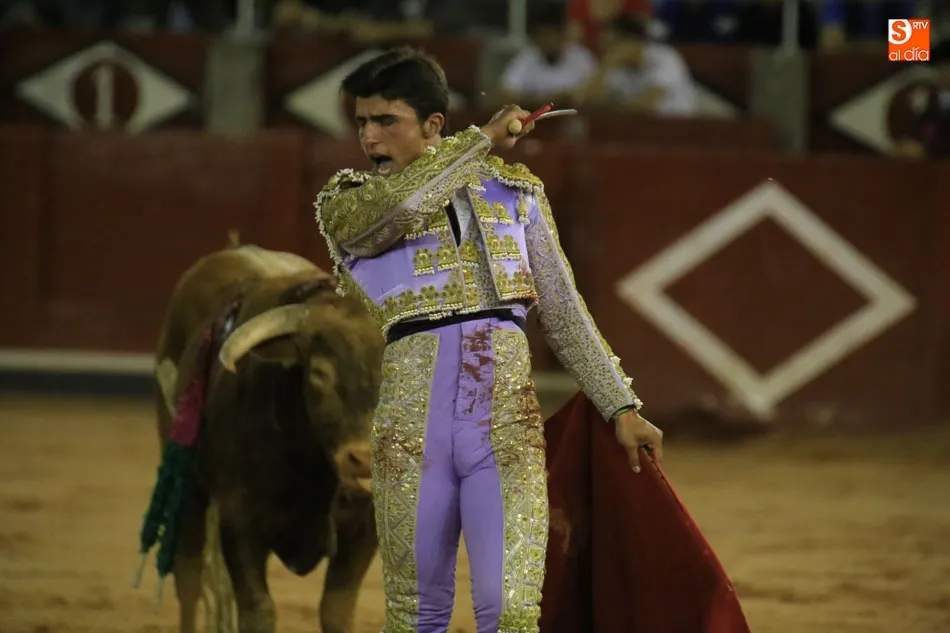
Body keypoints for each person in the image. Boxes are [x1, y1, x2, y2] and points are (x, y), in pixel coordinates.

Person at [314, 47, 664, 633]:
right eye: (362, 122)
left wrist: (621, 405)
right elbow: (396, 210)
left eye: (385, 120)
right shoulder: (347, 203)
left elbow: (563, 311)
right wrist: (480, 140)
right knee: (416, 615)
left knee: (510, 613)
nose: (369, 136)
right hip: (411, 435)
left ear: (432, 124)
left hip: (505, 431)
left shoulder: (516, 193)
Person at [575, 15, 697, 116]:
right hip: (640, 130)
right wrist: (606, 65)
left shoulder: (665, 57)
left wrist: (611, 107)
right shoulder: (616, 67)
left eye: (614, 44)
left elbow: (647, 106)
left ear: (633, 42)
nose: (609, 51)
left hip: (680, 125)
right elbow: (585, 101)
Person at [494, 3, 598, 108]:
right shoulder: (527, 57)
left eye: (550, 35)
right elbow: (503, 96)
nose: (547, 41)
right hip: (536, 116)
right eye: (542, 35)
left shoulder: (581, 57)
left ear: (562, 34)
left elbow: (598, 94)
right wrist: (547, 100)